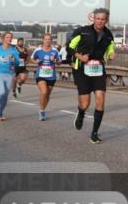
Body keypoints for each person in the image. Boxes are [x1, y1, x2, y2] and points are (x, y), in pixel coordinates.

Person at [67, 8, 116, 144]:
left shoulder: (108, 34)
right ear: (93, 19)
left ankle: (94, 133)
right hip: (82, 69)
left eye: (103, 19)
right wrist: (79, 56)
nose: (100, 21)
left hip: (98, 69)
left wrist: (111, 54)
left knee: (100, 99)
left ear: (106, 20)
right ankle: (81, 112)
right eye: (98, 18)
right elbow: (69, 47)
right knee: (85, 103)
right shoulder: (82, 31)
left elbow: (110, 47)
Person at [0, 32, 21, 121]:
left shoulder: (14, 49)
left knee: (5, 97)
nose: (9, 39)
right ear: (3, 38)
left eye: (10, 37)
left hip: (10, 74)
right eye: (7, 37)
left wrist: (13, 58)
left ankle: (0, 113)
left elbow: (17, 62)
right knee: (1, 92)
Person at [32, 33, 61, 121]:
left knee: (47, 94)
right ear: (43, 40)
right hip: (41, 75)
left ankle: (43, 109)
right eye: (46, 39)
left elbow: (59, 62)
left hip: (51, 76)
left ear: (51, 40)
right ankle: (41, 111)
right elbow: (32, 58)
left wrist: (55, 60)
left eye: (49, 39)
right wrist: (36, 61)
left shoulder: (55, 51)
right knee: (44, 92)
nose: (47, 41)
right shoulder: (38, 50)